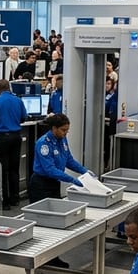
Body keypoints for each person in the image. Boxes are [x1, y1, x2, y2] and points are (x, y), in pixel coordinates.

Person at [30, 114, 87, 265]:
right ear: (54, 128)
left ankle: (53, 259)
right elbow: (50, 169)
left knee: (54, 223)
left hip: (53, 184)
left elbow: (69, 160)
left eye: (67, 131)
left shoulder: (62, 140)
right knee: (42, 223)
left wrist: (84, 172)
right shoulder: (43, 144)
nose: (65, 133)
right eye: (63, 130)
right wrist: (71, 179)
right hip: (41, 185)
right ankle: (41, 261)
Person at [0, 79, 27, 210]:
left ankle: (6, 202)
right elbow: (24, 117)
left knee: (3, 169)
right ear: (9, 88)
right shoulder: (18, 100)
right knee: (14, 169)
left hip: (2, 138)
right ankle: (15, 199)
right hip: (16, 137)